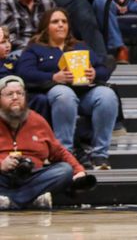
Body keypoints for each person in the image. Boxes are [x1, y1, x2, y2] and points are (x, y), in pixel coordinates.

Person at [16, 8, 117, 170]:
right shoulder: (35, 48)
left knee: (107, 95)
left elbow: (103, 67)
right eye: (55, 22)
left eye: (64, 22)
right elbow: (24, 73)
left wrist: (95, 73)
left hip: (84, 92)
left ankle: (100, 155)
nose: (61, 25)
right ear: (46, 27)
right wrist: (53, 77)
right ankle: (65, 151)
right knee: (64, 94)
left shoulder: (80, 46)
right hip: (52, 92)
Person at [0, 75, 88, 210]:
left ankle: (11, 201)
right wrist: (1, 164)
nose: (16, 97)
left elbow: (59, 151)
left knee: (64, 170)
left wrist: (79, 170)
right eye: (9, 94)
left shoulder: (37, 120)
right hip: (2, 177)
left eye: (20, 93)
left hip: (32, 177)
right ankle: (33, 199)